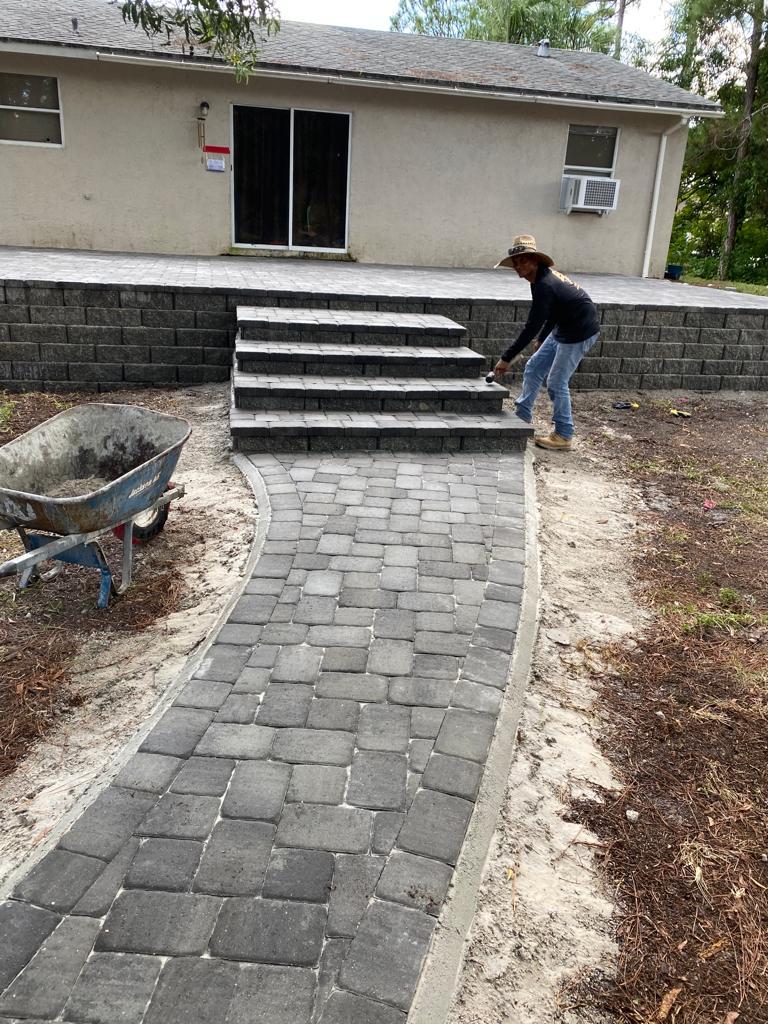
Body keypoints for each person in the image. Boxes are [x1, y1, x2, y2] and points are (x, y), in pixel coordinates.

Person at [492, 234, 600, 451]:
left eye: (523, 260)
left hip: (580, 331)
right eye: (515, 262)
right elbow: (554, 310)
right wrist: (543, 338)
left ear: (535, 261)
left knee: (557, 382)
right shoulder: (539, 279)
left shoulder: (544, 284)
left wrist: (506, 358)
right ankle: (522, 416)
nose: (518, 266)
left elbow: (531, 326)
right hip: (564, 325)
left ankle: (564, 435)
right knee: (534, 367)